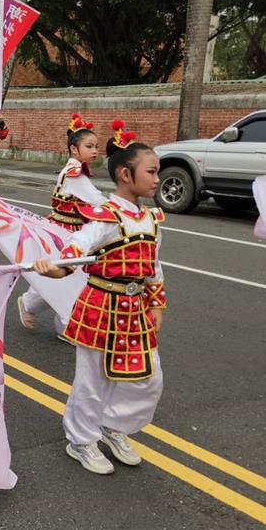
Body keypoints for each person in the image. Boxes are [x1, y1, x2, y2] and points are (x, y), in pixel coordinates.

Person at [33, 134, 165, 476]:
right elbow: (79, 246)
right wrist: (58, 266)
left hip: (135, 309)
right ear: (126, 175)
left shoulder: (151, 220)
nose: (157, 179)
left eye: (157, 172)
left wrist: (156, 304)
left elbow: (154, 266)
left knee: (147, 378)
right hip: (101, 305)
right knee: (92, 382)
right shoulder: (106, 217)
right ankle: (80, 440)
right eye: (151, 172)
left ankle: (113, 426)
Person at [18, 114, 106, 331]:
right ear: (74, 149)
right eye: (89, 146)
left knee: (65, 277)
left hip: (67, 229)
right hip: (67, 232)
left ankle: (44, 312)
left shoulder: (74, 170)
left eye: (96, 146)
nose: (95, 150)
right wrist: (124, 207)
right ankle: (65, 324)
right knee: (70, 278)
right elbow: (98, 200)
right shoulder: (76, 175)